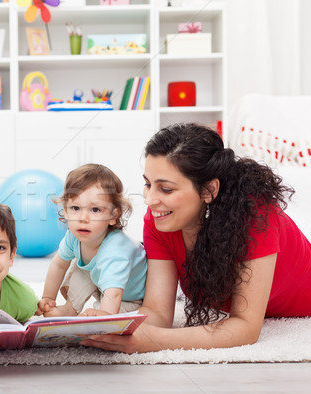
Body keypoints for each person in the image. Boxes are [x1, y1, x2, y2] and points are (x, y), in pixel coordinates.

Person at [81, 123, 311, 353]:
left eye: (166, 189)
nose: (150, 200)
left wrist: (155, 341)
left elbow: (246, 328)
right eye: (148, 184)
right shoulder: (159, 221)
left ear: (209, 190)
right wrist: (107, 323)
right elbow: (158, 313)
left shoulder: (255, 215)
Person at [37, 164, 148, 317]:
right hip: (101, 282)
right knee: (81, 267)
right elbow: (59, 264)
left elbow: (114, 294)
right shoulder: (73, 236)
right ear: (66, 209)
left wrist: (104, 315)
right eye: (75, 208)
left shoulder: (116, 251)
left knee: (121, 315)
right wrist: (48, 298)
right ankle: (70, 308)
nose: (83, 218)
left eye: (95, 210)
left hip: (130, 297)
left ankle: (100, 313)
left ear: (113, 216)